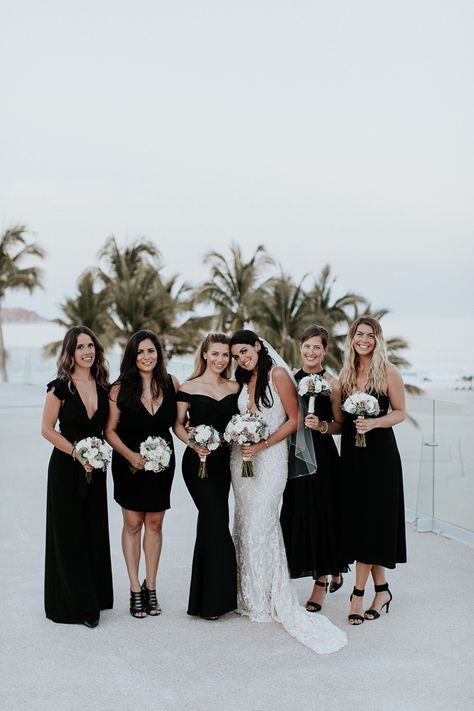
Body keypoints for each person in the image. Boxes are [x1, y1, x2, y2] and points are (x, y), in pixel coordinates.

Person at [229, 330, 346, 654]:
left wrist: (262, 444)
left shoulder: (277, 374)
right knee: (243, 523)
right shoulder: (243, 378)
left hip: (271, 459)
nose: (242, 358)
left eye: (244, 351)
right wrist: (241, 438)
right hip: (243, 460)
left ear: (257, 346)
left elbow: (294, 419)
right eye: (236, 355)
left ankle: (271, 595)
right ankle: (248, 594)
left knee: (262, 523)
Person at [41, 326, 113, 628]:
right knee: (69, 532)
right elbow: (46, 429)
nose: (87, 351)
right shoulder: (59, 387)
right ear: (70, 353)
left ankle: (96, 594)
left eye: (91, 346)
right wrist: (76, 453)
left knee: (94, 528)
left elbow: (110, 429)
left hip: (97, 468)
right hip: (66, 467)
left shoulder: (105, 387)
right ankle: (77, 604)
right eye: (80, 346)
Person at [105, 330, 178, 618]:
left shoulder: (171, 383)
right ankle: (135, 588)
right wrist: (130, 456)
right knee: (133, 522)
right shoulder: (119, 388)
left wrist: (199, 442)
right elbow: (109, 431)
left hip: (162, 464)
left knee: (156, 523)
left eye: (151, 351)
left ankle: (152, 586)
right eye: (140, 352)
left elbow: (179, 424)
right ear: (132, 357)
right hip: (129, 463)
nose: (146, 357)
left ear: (158, 353)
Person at [339, 317, 407, 625]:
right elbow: (339, 420)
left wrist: (375, 422)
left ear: (378, 339)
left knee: (371, 523)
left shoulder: (389, 371)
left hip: (380, 458)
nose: (364, 339)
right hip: (353, 456)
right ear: (351, 338)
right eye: (358, 334)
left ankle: (357, 595)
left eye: (370, 334)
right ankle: (383, 591)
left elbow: (401, 412)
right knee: (362, 523)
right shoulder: (347, 373)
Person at [280, 325, 346, 613]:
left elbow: (340, 425)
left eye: (316, 347)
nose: (310, 352)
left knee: (321, 512)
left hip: (322, 458)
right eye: (306, 346)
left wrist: (321, 426)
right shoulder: (289, 379)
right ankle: (308, 568)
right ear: (300, 347)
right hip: (292, 457)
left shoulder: (333, 383)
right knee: (296, 511)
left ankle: (321, 580)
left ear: (325, 351)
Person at [174, 333, 239, 620]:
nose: (220, 359)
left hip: (224, 462)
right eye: (215, 354)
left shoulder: (236, 387)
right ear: (204, 355)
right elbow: (177, 424)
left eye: (225, 355)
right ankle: (217, 600)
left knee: (214, 521)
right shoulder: (188, 387)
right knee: (214, 519)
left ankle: (202, 600)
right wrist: (191, 441)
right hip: (197, 463)